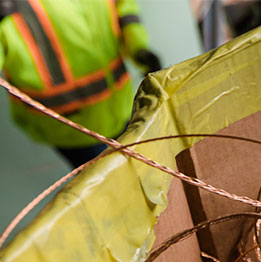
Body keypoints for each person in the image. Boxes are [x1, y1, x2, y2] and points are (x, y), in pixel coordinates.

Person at [0, 0, 161, 168]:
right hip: (72, 133)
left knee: (155, 175)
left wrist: (138, 46)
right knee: (118, 190)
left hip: (125, 107)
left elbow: (123, 8)